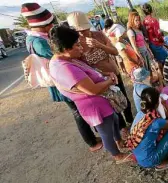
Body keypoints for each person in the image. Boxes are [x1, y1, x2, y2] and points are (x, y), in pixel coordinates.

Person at [21, 3, 103, 152]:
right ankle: (91, 141)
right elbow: (61, 56)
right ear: (43, 25)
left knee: (82, 107)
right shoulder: (39, 42)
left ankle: (97, 133)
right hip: (63, 81)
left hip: (64, 78)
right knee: (78, 110)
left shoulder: (37, 38)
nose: (52, 26)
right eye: (50, 23)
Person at [48, 25, 133, 163]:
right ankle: (117, 155)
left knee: (114, 121)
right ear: (65, 49)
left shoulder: (65, 58)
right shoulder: (64, 68)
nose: (81, 48)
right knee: (106, 131)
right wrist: (110, 81)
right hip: (94, 103)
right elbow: (92, 90)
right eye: (77, 45)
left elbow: (89, 70)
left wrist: (105, 74)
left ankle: (119, 141)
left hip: (101, 100)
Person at [67, 11, 134, 136]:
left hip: (115, 73)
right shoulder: (76, 46)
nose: (83, 33)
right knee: (113, 104)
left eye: (85, 29)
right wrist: (104, 74)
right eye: (79, 31)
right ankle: (122, 127)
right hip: (101, 80)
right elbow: (84, 67)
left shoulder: (98, 35)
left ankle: (131, 120)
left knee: (124, 99)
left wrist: (100, 45)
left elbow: (115, 52)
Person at [126, 87, 168, 169]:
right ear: (157, 104)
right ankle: (160, 162)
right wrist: (165, 104)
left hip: (136, 153)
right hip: (149, 160)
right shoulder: (156, 122)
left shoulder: (140, 113)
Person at [142, 3, 168, 73]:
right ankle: (167, 74)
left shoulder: (144, 21)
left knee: (158, 60)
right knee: (167, 58)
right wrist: (163, 42)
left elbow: (145, 33)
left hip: (150, 44)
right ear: (151, 10)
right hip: (157, 43)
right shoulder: (154, 20)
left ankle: (162, 76)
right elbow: (158, 33)